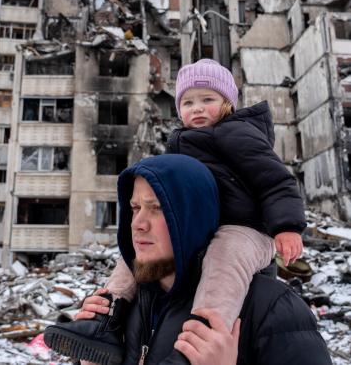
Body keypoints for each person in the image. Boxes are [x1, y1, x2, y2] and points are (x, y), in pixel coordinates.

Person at [45, 59, 307, 361]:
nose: (196, 108)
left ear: (227, 104)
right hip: (203, 229)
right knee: (135, 253)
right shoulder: (181, 143)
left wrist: (286, 226)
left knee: (225, 254)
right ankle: (106, 318)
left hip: (246, 231)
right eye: (187, 102)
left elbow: (275, 181)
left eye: (207, 99)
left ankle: (201, 335)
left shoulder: (237, 133)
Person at [45, 155, 331, 365]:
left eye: (157, 208)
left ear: (193, 218)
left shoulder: (272, 308)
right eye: (135, 208)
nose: (138, 224)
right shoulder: (129, 307)